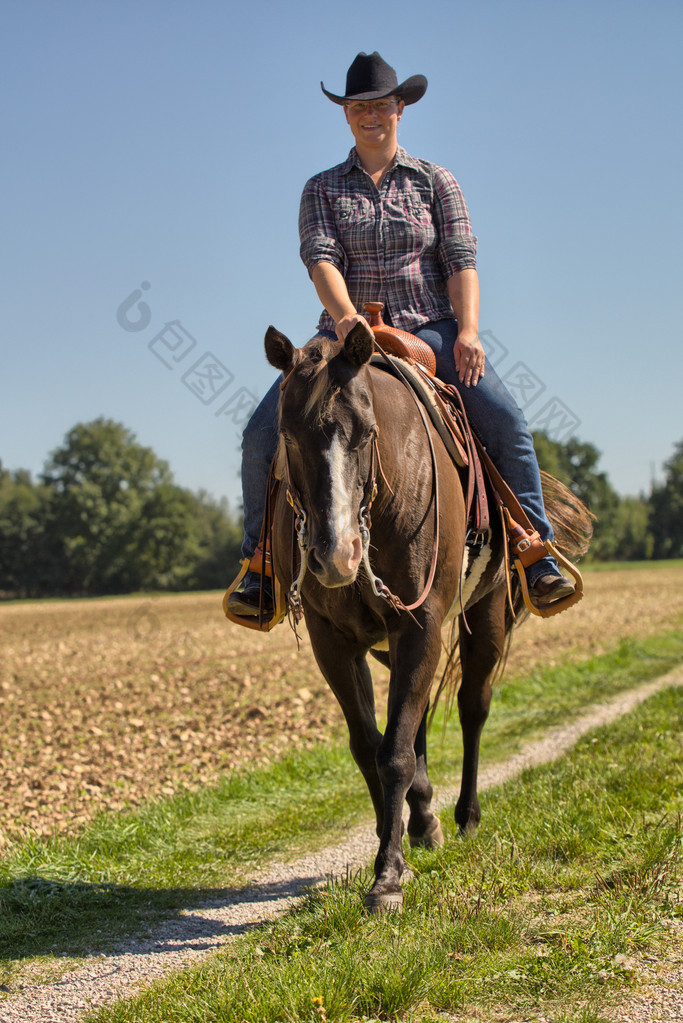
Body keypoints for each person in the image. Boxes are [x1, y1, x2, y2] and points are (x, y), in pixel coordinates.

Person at [226, 51, 575, 617]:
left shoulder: (437, 181)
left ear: (400, 109)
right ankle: (259, 566)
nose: (371, 115)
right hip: (343, 338)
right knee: (260, 435)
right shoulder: (321, 189)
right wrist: (344, 318)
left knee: (505, 419)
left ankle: (537, 554)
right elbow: (320, 257)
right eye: (360, 106)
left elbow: (461, 259)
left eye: (381, 105)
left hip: (431, 328)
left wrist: (467, 331)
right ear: (346, 115)